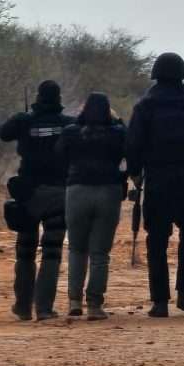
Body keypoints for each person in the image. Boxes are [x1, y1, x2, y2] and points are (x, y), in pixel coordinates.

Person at [127, 52, 184, 317]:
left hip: (158, 178)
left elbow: (133, 144)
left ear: (156, 73)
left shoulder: (146, 104)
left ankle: (160, 301)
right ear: (182, 74)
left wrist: (135, 173)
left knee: (157, 240)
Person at [0, 80, 75, 321]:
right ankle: (44, 308)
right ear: (59, 98)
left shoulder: (24, 121)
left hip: (28, 194)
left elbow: (3, 133)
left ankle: (22, 305)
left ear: (38, 97)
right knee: (52, 252)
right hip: (58, 194)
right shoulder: (68, 124)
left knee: (25, 251)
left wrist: (23, 117)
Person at [56, 92, 126, 321]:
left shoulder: (71, 132)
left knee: (76, 249)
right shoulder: (117, 133)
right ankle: (95, 304)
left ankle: (74, 301)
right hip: (108, 192)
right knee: (100, 253)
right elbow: (131, 154)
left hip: (77, 191)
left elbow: (59, 156)